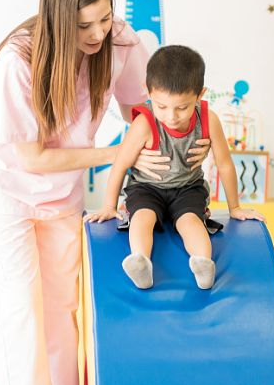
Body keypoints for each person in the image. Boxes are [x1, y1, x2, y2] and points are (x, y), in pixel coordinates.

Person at [0, 0, 210, 385]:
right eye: (84, 25)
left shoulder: (118, 42)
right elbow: (32, 157)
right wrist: (116, 156)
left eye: (105, 17)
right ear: (57, 20)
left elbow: (152, 109)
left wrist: (189, 144)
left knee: (61, 316)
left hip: (59, 193)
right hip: (3, 189)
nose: (98, 33)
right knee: (23, 318)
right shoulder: (19, 61)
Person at [85, 45, 264, 290]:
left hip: (188, 188)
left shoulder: (208, 120)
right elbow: (121, 165)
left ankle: (203, 263)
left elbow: (225, 164)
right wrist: (109, 206)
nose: (171, 116)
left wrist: (235, 207)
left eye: (182, 107)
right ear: (148, 93)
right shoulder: (144, 123)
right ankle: (141, 261)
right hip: (146, 188)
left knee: (190, 221)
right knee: (142, 218)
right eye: (162, 107)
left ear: (200, 95)